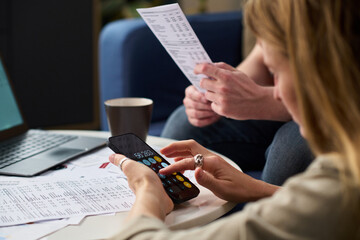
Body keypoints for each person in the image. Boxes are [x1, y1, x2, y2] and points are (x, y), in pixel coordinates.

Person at [109, 0, 360, 238]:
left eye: (276, 73)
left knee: (288, 149)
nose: (279, 93)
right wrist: (256, 188)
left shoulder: (339, 189)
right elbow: (264, 55)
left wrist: (148, 189)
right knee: (183, 122)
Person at [161, 23, 313, 186]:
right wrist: (224, 92)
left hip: (326, 112)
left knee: (289, 153)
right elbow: (261, 55)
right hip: (285, 98)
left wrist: (262, 102)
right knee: (182, 124)